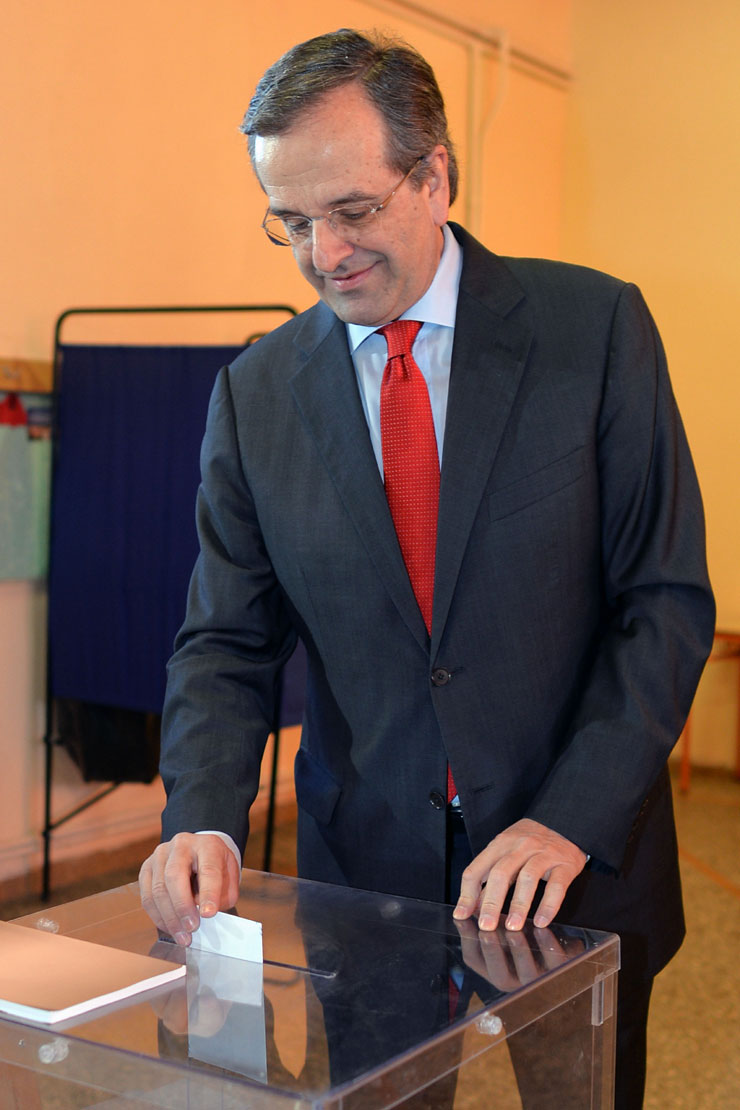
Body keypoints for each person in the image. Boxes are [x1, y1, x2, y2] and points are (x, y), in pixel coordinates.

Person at [139, 28, 715, 1108]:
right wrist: (201, 816)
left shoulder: (592, 331)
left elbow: (662, 603)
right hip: (365, 873)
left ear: (435, 174)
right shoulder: (257, 394)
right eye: (290, 221)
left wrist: (570, 815)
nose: (324, 254)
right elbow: (225, 641)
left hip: (575, 859)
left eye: (352, 211)